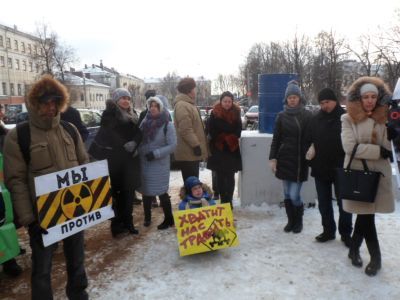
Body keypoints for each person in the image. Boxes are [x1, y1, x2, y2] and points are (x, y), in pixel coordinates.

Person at [3, 75, 89, 299]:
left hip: (73, 210)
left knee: (77, 261)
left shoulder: (70, 129)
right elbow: (16, 180)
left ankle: (79, 295)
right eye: (45, 103)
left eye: (54, 102)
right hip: (42, 218)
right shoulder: (19, 136)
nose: (50, 108)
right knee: (42, 269)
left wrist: (91, 204)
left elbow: (84, 165)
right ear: (35, 103)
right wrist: (29, 219)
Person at [341, 76, 394, 276]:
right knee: (367, 218)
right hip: (357, 175)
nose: (370, 100)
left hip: (378, 177)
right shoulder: (347, 119)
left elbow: (391, 149)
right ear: (359, 99)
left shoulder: (386, 118)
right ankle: (376, 258)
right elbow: (349, 147)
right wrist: (378, 151)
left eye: (373, 96)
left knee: (365, 217)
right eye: (366, 97)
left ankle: (354, 250)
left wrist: (394, 138)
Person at [89, 88, 142, 237]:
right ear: (116, 100)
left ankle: (129, 222)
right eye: (122, 98)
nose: (126, 100)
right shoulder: (109, 114)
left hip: (130, 161)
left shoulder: (132, 114)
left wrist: (135, 142)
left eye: (128, 98)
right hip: (116, 161)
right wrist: (125, 144)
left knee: (129, 193)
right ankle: (117, 226)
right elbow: (109, 133)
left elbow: (138, 132)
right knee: (118, 194)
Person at [306, 88, 352, 246]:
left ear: (335, 101)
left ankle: (346, 234)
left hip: (342, 167)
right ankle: (328, 231)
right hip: (320, 167)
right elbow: (309, 138)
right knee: (324, 203)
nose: (325, 105)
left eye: (327, 102)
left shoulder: (346, 117)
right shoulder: (316, 119)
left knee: (344, 203)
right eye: (322, 103)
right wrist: (311, 148)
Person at [269, 80, 312, 233]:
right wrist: (272, 158)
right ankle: (291, 221)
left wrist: (312, 148)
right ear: (286, 99)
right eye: (289, 97)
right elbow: (276, 139)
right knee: (287, 194)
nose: (292, 99)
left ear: (300, 98)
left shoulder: (307, 115)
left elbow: (312, 137)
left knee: (295, 195)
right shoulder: (281, 116)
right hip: (284, 159)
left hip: (300, 161)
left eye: (295, 96)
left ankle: (299, 221)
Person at [138, 95, 177, 229]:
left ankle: (169, 218)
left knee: (161, 192)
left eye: (156, 106)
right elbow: (140, 139)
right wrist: (136, 147)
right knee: (146, 191)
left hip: (159, 164)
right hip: (145, 162)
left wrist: (156, 154)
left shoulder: (168, 124)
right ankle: (147, 218)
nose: (153, 108)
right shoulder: (144, 122)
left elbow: (172, 146)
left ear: (161, 108)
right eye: (151, 106)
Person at [206, 91, 242, 208]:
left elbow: (238, 130)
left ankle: (229, 200)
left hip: (232, 149)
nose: (227, 104)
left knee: (230, 176)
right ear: (221, 102)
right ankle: (223, 200)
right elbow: (211, 129)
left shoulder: (237, 113)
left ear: (232, 102)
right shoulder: (214, 113)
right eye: (225, 101)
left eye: (229, 101)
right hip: (219, 148)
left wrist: (230, 138)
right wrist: (223, 137)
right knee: (220, 176)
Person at [173, 77, 208, 184]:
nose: (195, 91)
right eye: (194, 88)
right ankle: (190, 201)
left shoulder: (188, 104)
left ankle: (193, 201)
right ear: (189, 90)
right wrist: (196, 145)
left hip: (191, 153)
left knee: (193, 183)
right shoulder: (182, 105)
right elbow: (185, 129)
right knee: (191, 184)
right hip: (189, 153)